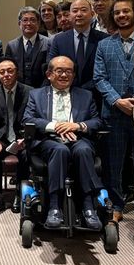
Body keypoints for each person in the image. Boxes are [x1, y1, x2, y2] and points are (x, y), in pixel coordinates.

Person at [23, 56, 107, 231]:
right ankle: (54, 207)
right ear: (49, 74)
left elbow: (97, 122)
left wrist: (77, 125)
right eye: (59, 71)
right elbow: (28, 119)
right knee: (59, 150)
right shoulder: (36, 95)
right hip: (49, 141)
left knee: (84, 150)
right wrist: (56, 127)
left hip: (78, 139)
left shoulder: (85, 95)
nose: (64, 75)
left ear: (74, 75)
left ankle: (88, 207)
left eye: (69, 71)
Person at [93, 0, 134, 232]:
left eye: (126, 11)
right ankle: (115, 206)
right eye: (117, 12)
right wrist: (117, 100)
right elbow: (99, 78)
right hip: (113, 114)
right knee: (113, 165)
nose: (121, 16)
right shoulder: (104, 44)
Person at [0, 58, 32, 217]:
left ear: (17, 72)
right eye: (2, 72)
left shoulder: (30, 92)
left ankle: (19, 194)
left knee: (26, 155)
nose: (6, 75)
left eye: (10, 71)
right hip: (3, 138)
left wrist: (25, 138)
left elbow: (33, 119)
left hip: (21, 139)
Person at [48, 0, 108, 103]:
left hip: (96, 97)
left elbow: (106, 70)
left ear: (92, 14)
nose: (79, 14)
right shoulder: (59, 40)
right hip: (65, 95)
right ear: (70, 15)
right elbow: (51, 67)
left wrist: (84, 90)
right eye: (75, 11)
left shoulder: (104, 39)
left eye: (83, 10)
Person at [5, 6, 51, 87]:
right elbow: (9, 69)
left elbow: (50, 69)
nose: (28, 24)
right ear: (19, 24)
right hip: (19, 90)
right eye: (25, 20)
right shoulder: (11, 45)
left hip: (41, 89)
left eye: (32, 20)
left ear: (38, 23)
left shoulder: (48, 43)